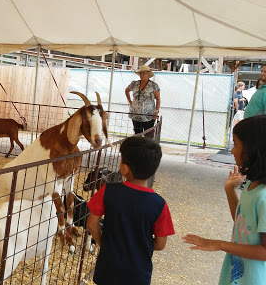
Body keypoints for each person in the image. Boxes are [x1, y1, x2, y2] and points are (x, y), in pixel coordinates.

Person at [183, 115, 266, 284]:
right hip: (238, 274)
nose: (232, 150)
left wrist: (220, 245)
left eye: (236, 144)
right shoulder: (252, 185)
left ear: (253, 149)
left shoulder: (263, 196)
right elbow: (242, 221)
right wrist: (230, 190)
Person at [86, 136, 175, 285]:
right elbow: (160, 244)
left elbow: (91, 223)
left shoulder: (107, 191)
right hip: (138, 273)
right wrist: (139, 245)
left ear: (125, 168)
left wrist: (104, 243)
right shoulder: (159, 204)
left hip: (108, 268)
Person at [125, 65, 161, 138]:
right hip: (136, 115)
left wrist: (156, 111)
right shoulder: (134, 84)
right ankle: (138, 148)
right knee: (137, 134)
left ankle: (147, 149)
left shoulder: (154, 85)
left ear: (148, 74)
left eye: (144, 73)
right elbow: (126, 91)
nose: (142, 75)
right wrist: (130, 101)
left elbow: (158, 99)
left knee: (148, 135)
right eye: (141, 73)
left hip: (149, 115)